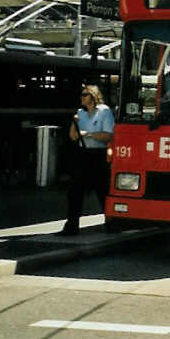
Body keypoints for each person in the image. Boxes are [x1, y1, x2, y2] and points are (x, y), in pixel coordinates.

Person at [58, 85, 115, 236]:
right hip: (83, 154)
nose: (81, 97)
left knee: (103, 190)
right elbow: (73, 137)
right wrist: (74, 123)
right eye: (81, 95)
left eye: (85, 95)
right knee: (75, 191)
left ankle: (111, 222)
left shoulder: (104, 111)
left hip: (99, 154)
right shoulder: (80, 113)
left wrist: (88, 134)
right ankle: (72, 225)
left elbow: (109, 135)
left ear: (93, 96)